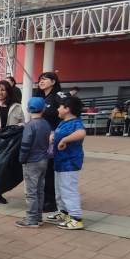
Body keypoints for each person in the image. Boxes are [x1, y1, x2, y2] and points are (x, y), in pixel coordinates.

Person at [45, 96, 87, 230]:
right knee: (59, 189)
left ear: (67, 109)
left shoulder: (75, 123)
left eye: (60, 106)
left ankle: (76, 218)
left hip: (69, 163)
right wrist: (53, 137)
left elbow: (81, 133)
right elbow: (57, 134)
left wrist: (64, 140)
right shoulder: (63, 122)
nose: (58, 109)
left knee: (69, 190)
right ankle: (63, 211)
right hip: (60, 163)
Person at [16, 98, 53, 228]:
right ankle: (38, 217)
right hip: (43, 160)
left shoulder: (30, 125)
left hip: (31, 161)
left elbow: (25, 144)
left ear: (28, 109)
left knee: (31, 192)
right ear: (43, 109)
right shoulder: (46, 124)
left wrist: (22, 158)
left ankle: (31, 219)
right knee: (39, 190)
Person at [35, 72, 65, 212]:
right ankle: (44, 197)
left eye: (45, 79)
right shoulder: (39, 97)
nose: (41, 82)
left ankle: (51, 200)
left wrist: (57, 133)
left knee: (50, 170)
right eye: (40, 79)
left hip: (53, 137)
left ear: (53, 82)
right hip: (40, 136)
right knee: (41, 169)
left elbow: (69, 112)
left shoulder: (58, 96)